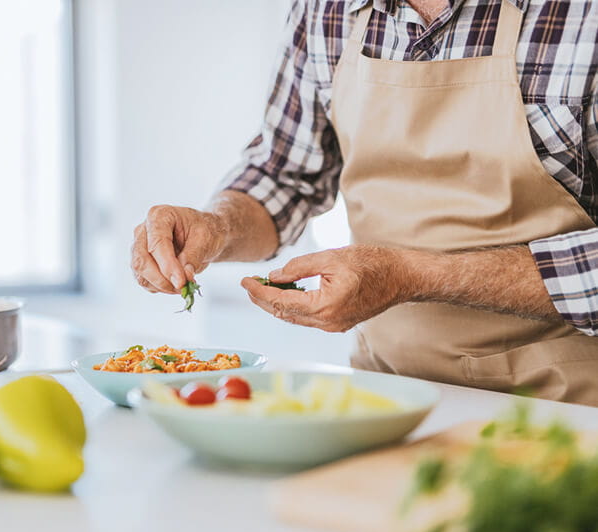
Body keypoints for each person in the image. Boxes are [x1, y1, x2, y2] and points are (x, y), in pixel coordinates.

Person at [130, 0, 598, 404]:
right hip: (385, 396)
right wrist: (217, 227)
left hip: (564, 405)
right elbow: (284, 174)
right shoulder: (325, 9)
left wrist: (409, 275)